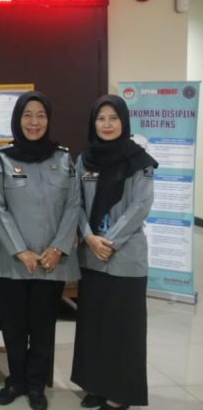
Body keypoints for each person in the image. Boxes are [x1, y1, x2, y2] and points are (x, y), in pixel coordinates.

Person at [0, 92, 82, 410]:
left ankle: (36, 383)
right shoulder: (2, 158)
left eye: (41, 115)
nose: (34, 122)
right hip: (12, 261)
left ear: (48, 120)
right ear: (17, 119)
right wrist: (20, 250)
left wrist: (58, 247)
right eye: (27, 114)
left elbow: (74, 205)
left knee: (43, 326)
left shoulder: (64, 159)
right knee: (13, 326)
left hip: (52, 261)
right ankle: (16, 380)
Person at [71, 95, 157, 410]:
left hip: (125, 256)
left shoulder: (140, 160)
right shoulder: (84, 159)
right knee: (94, 325)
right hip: (91, 255)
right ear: (93, 123)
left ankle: (121, 392)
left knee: (124, 328)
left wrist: (109, 241)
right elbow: (75, 202)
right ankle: (95, 385)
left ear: (124, 121)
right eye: (100, 118)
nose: (107, 124)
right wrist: (89, 237)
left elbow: (141, 205)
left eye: (113, 118)